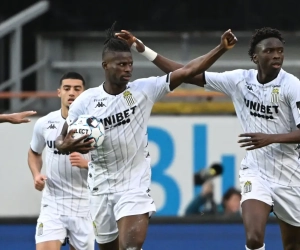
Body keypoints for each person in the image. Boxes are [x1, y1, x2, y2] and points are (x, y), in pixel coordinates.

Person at [54, 22, 237, 250]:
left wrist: (220, 49)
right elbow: (61, 140)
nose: (128, 69)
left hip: (134, 185)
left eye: (130, 64)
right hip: (100, 186)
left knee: (131, 246)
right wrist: (65, 145)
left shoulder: (144, 89)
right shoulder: (86, 101)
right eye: (121, 64)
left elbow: (188, 70)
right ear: (105, 66)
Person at [118, 27, 300, 250]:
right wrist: (142, 48)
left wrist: (271, 138)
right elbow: (184, 72)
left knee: (292, 245)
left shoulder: (292, 86)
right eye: (269, 51)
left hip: (290, 175)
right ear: (255, 56)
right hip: (256, 172)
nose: (276, 55)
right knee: (253, 238)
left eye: (280, 51)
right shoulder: (239, 80)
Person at [28, 72, 94, 250]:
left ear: (84, 93)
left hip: (85, 205)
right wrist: (36, 174)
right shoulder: (44, 123)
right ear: (59, 92)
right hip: (53, 203)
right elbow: (34, 152)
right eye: (67, 88)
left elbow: (111, 164)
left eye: (77, 89)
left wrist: (86, 164)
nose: (71, 93)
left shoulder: (96, 127)